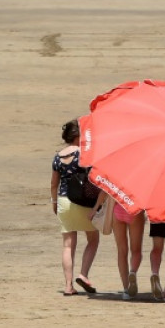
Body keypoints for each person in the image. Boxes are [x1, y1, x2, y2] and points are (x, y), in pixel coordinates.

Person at [50, 119, 100, 296]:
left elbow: (54, 184)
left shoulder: (58, 156)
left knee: (68, 245)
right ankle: (83, 274)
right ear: (78, 135)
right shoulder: (85, 154)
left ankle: (68, 286)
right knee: (93, 239)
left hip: (63, 199)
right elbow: (95, 177)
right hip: (83, 200)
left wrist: (54, 203)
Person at [112, 199, 146, 300]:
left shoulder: (119, 181)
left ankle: (126, 289)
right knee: (136, 250)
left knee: (121, 251)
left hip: (117, 209)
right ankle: (133, 272)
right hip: (134, 209)